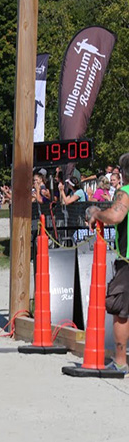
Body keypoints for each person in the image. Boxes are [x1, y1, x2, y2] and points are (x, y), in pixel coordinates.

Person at [86, 152, 129, 375]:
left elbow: (115, 216)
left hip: (128, 261)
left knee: (119, 308)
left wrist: (96, 212)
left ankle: (120, 362)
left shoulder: (125, 192)